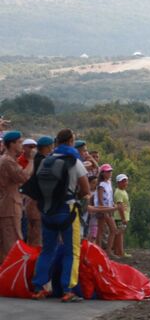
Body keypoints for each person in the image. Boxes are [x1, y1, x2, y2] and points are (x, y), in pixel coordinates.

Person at [31, 128, 88, 302]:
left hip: (47, 210)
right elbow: (85, 189)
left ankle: (39, 287)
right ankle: (68, 289)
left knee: (47, 250)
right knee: (72, 251)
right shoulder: (74, 162)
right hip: (67, 210)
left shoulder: (46, 161)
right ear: (71, 141)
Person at [0, 131, 34, 262]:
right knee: (12, 243)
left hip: (9, 204)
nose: (21, 145)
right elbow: (24, 177)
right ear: (12, 144)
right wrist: (31, 161)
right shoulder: (7, 161)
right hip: (10, 206)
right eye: (19, 142)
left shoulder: (7, 160)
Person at [20, 136, 55, 246]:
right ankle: (35, 261)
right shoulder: (42, 161)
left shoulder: (37, 159)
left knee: (32, 234)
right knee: (36, 236)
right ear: (48, 147)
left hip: (31, 201)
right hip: (36, 203)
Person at [95, 164, 118, 257]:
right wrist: (104, 211)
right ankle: (100, 250)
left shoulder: (109, 183)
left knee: (112, 229)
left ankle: (107, 250)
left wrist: (112, 206)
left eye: (110, 171)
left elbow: (109, 197)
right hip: (103, 209)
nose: (110, 173)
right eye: (107, 171)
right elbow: (100, 199)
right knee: (101, 230)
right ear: (103, 173)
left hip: (108, 208)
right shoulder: (101, 184)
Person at [112, 174, 131, 258]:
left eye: (126, 181)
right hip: (120, 217)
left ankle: (117, 251)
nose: (125, 183)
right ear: (118, 183)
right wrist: (123, 218)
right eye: (123, 181)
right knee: (120, 234)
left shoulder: (123, 191)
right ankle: (120, 252)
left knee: (120, 233)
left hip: (123, 216)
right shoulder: (119, 192)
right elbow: (119, 206)